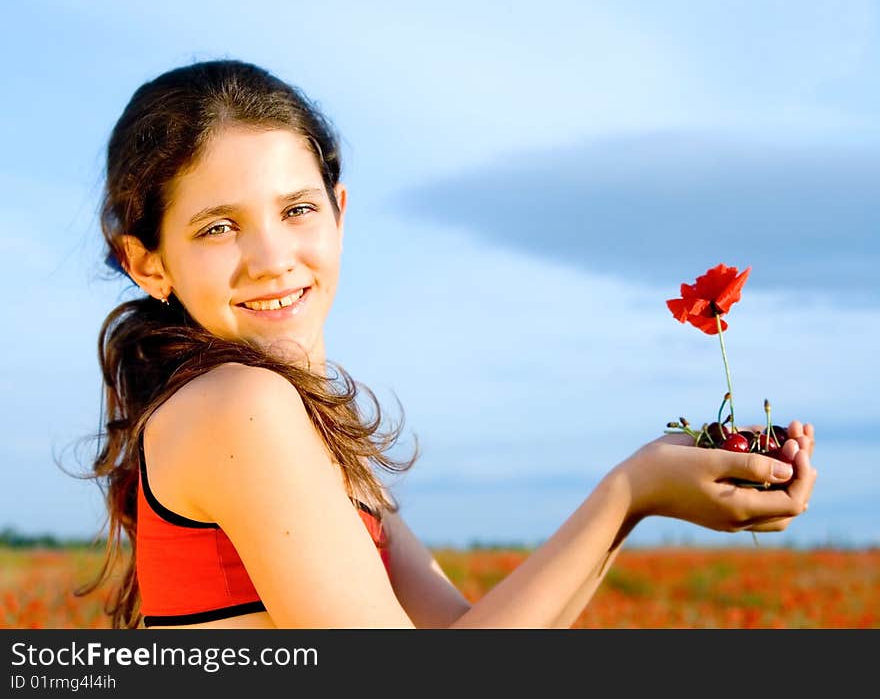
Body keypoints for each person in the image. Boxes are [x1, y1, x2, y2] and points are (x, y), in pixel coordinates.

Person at [79, 59, 817, 629]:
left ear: (339, 212)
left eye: (296, 209)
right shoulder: (240, 405)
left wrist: (648, 487)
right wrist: (631, 488)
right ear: (147, 261)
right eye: (218, 226)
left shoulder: (305, 425)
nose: (272, 257)